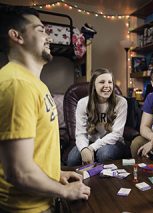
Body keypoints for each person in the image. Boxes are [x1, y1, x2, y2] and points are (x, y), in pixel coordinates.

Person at [0, 5, 90, 212]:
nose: (49, 36)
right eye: (40, 30)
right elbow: (19, 172)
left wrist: (55, 174)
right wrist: (64, 191)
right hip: (25, 207)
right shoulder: (16, 84)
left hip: (42, 198)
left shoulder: (35, 84)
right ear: (17, 36)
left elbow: (34, 151)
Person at [67, 68, 129, 166]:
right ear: (94, 86)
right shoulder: (83, 103)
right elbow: (80, 133)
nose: (107, 86)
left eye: (110, 82)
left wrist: (92, 148)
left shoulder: (121, 102)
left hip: (113, 143)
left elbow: (116, 134)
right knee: (72, 159)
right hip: (89, 142)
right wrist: (84, 149)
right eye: (102, 82)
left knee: (104, 154)